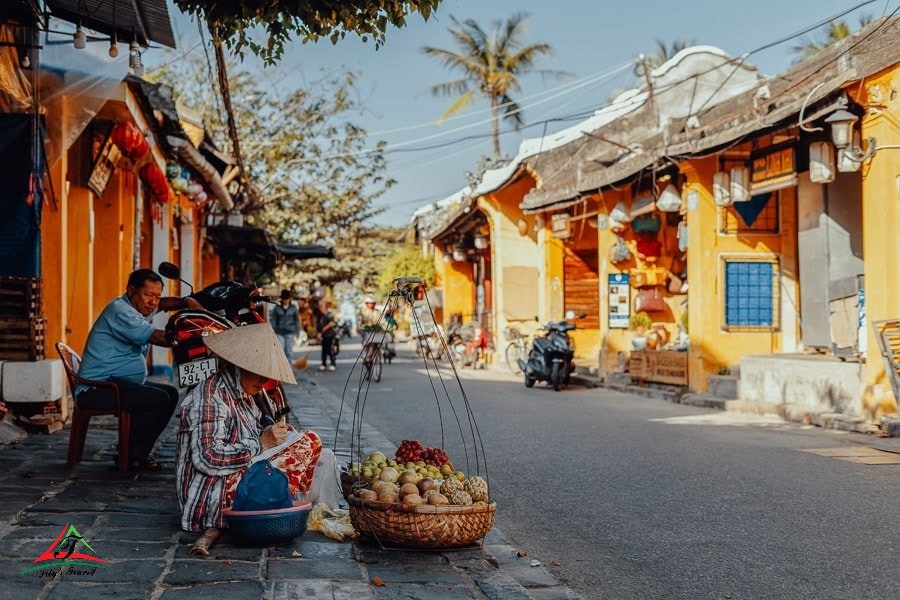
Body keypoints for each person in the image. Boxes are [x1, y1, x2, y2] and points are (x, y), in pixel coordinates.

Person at [176, 323, 322, 554]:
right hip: (213, 493)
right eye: (259, 373)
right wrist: (262, 443)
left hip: (237, 474)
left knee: (308, 441)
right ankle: (271, 503)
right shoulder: (210, 397)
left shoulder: (244, 394)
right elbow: (207, 457)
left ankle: (276, 500)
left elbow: (253, 431)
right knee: (306, 443)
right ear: (238, 367)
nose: (264, 381)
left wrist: (276, 434)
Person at [76, 268, 201, 471]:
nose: (153, 301)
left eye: (157, 295)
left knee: (169, 393)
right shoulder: (120, 311)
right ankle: (132, 454)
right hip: (98, 390)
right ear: (131, 290)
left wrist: (186, 302)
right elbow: (158, 337)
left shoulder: (137, 307)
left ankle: (135, 450)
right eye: (148, 295)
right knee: (157, 399)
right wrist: (196, 334)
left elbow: (163, 304)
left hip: (118, 384)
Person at [270, 289, 300, 361]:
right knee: (281, 350)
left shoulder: (293, 307)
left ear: (289, 299)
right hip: (279, 332)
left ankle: (289, 368)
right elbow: (274, 320)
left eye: (286, 299)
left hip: (290, 332)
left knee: (289, 351)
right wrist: (272, 332)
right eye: (284, 299)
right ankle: (281, 368)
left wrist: (297, 332)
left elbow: (296, 320)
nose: (285, 301)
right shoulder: (277, 307)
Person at [313, 302, 337, 371]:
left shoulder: (326, 316)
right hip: (324, 337)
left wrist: (324, 329)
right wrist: (318, 334)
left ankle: (333, 364)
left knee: (330, 350)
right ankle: (323, 364)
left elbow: (332, 323)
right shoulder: (318, 320)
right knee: (324, 350)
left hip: (330, 335)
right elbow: (318, 330)